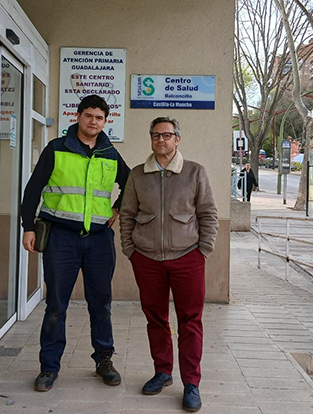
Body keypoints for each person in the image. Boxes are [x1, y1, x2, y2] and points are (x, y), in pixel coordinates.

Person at [21, 94, 130, 392]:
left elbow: (131, 182)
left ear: (105, 121)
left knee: (101, 304)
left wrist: (118, 208)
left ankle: (104, 359)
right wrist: (28, 227)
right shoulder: (56, 149)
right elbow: (33, 190)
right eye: (89, 116)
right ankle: (49, 367)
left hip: (98, 241)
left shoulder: (110, 152)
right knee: (56, 304)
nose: (94, 122)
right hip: (61, 238)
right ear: (78, 116)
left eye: (100, 118)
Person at [119, 117, 219, 412]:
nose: (160, 140)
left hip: (188, 256)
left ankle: (191, 383)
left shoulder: (195, 172)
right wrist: (130, 250)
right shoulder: (138, 175)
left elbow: (208, 214)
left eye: (167, 135)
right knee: (156, 318)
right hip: (147, 258)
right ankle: (163, 372)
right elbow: (126, 214)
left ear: (178, 139)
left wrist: (203, 250)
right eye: (155, 135)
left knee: (190, 321)